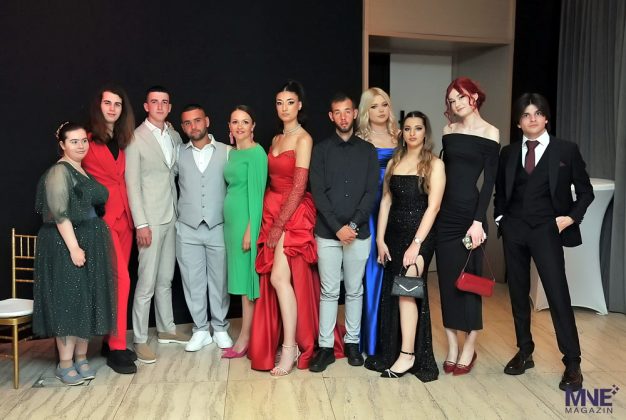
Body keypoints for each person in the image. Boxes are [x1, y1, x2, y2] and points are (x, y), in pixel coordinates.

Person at [494, 93, 593, 391]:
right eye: (526, 115)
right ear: (518, 122)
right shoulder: (509, 152)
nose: (532, 119)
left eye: (538, 113)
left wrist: (569, 218)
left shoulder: (566, 150)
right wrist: (501, 219)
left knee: (557, 294)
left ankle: (572, 363)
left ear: (546, 118)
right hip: (514, 229)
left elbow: (585, 192)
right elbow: (501, 191)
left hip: (547, 230)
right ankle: (524, 352)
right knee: (517, 293)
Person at [248, 80, 342, 376]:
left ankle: (290, 347)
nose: (284, 108)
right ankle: (285, 341)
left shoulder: (304, 139)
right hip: (272, 207)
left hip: (293, 211)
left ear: (299, 105)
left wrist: (278, 226)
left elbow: (299, 187)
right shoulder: (276, 139)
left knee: (279, 277)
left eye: (290, 102)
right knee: (274, 280)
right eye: (279, 103)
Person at [33, 122, 116, 385]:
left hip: (88, 238)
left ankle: (81, 357)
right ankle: (65, 363)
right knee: (69, 302)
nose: (80, 146)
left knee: (86, 299)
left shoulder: (81, 169)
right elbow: (59, 214)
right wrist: (74, 248)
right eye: (74, 141)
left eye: (84, 141)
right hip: (66, 244)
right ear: (62, 144)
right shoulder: (60, 171)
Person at [367, 111, 445, 382]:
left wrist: (416, 244)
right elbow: (386, 202)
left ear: (426, 132)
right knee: (396, 293)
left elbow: (434, 207)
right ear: (402, 132)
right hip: (394, 236)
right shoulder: (394, 161)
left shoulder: (435, 164)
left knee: (406, 291)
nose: (412, 133)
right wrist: (380, 239)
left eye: (418, 128)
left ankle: (408, 355)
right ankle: (397, 351)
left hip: (421, 237)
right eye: (408, 128)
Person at [309, 93, 378, 372]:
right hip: (328, 233)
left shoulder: (368, 151)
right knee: (328, 291)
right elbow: (317, 192)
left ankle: (352, 344)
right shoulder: (321, 150)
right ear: (331, 116)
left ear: (355, 113)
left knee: (354, 290)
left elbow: (371, 192)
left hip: (359, 233)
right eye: (337, 112)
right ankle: (325, 348)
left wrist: (353, 226)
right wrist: (338, 228)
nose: (343, 117)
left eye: (347, 111)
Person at [435, 77, 500, 375]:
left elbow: (488, 184)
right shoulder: (448, 132)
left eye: (461, 97)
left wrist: (477, 221)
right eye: (452, 100)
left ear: (474, 96)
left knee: (471, 282)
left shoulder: (491, 132)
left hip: (470, 217)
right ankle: (452, 345)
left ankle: (470, 346)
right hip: (445, 215)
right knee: (447, 282)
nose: (456, 104)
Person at [125, 86, 189, 364]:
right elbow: (132, 184)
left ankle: (166, 329)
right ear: (146, 106)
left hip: (171, 214)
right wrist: (141, 223)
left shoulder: (173, 135)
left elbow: (173, 171)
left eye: (164, 102)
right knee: (147, 282)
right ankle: (139, 339)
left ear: (169, 107)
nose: (160, 106)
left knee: (166, 278)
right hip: (149, 220)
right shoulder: (135, 138)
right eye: (155, 102)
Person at [82, 85, 137, 374]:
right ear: (99, 105)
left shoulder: (126, 140)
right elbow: (72, 174)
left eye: (117, 103)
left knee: (115, 282)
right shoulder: (86, 139)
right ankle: (117, 347)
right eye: (107, 103)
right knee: (121, 280)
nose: (112, 108)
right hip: (102, 219)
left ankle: (108, 339)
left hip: (126, 218)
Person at [175, 104, 233, 352]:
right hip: (187, 227)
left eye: (197, 120)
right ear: (182, 127)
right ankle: (200, 329)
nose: (193, 126)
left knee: (219, 279)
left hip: (218, 225)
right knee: (192, 280)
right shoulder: (177, 152)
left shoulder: (227, 151)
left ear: (207, 121)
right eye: (187, 123)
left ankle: (220, 327)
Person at [355, 87, 399, 356]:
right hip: (371, 208)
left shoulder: (399, 135)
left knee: (397, 268)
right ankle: (372, 342)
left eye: (384, 104)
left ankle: (396, 339)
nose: (381, 110)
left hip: (398, 206)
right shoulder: (360, 139)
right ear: (365, 111)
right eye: (374, 106)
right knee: (374, 270)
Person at [222, 105, 268, 358]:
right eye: (235, 122)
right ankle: (246, 334)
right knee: (239, 281)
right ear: (229, 126)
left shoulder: (257, 153)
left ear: (253, 127)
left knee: (248, 284)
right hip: (230, 225)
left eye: (245, 122)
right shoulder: (232, 153)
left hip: (245, 224)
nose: (239, 126)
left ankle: (245, 338)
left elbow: (258, 196)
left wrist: (251, 230)